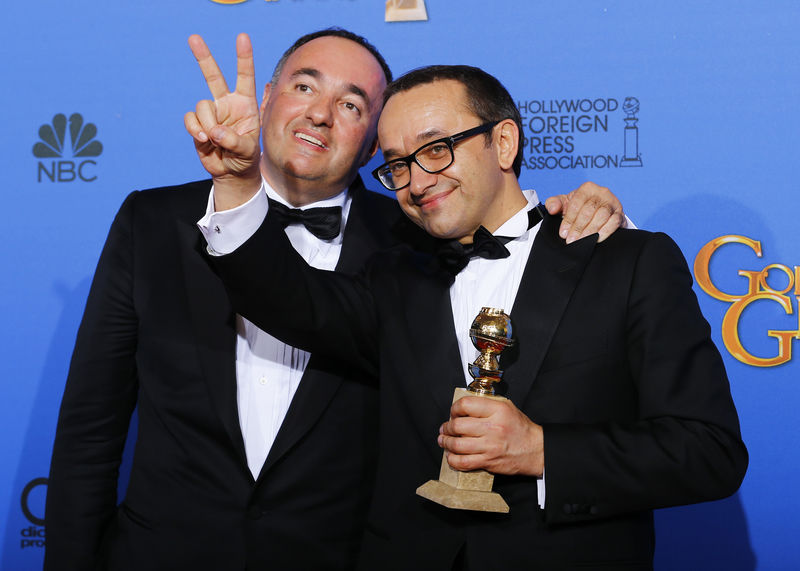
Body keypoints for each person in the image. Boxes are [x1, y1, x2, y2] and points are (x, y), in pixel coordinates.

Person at [45, 29, 625, 571]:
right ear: (268, 96)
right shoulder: (153, 222)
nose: (320, 113)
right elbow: (90, 429)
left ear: (376, 142)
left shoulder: (420, 237)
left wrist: (581, 215)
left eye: (351, 104)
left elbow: (516, 255)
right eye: (303, 86)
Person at [207, 64, 748, 570]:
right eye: (396, 164)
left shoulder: (627, 261)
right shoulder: (393, 278)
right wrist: (236, 183)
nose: (417, 182)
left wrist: (542, 450)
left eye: (436, 149)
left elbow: (709, 452)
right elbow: (285, 297)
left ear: (504, 143)